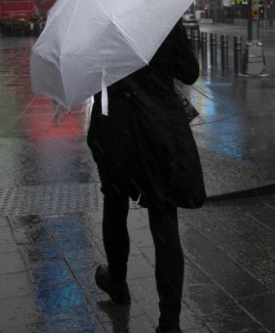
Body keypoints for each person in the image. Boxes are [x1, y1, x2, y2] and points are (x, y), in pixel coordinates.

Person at [86, 19, 203, 333]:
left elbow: (88, 72)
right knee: (164, 217)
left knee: (115, 201)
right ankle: (169, 323)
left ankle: (118, 282)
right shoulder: (161, 16)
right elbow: (189, 72)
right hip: (157, 127)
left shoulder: (104, 21)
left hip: (114, 126)